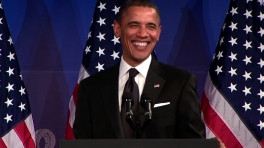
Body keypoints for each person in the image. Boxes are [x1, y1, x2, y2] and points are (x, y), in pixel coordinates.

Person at [73, 0, 205, 139]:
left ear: (158, 33)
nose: (143, 34)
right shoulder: (91, 88)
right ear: (117, 29)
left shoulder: (180, 83)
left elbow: (194, 142)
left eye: (151, 26)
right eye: (134, 25)